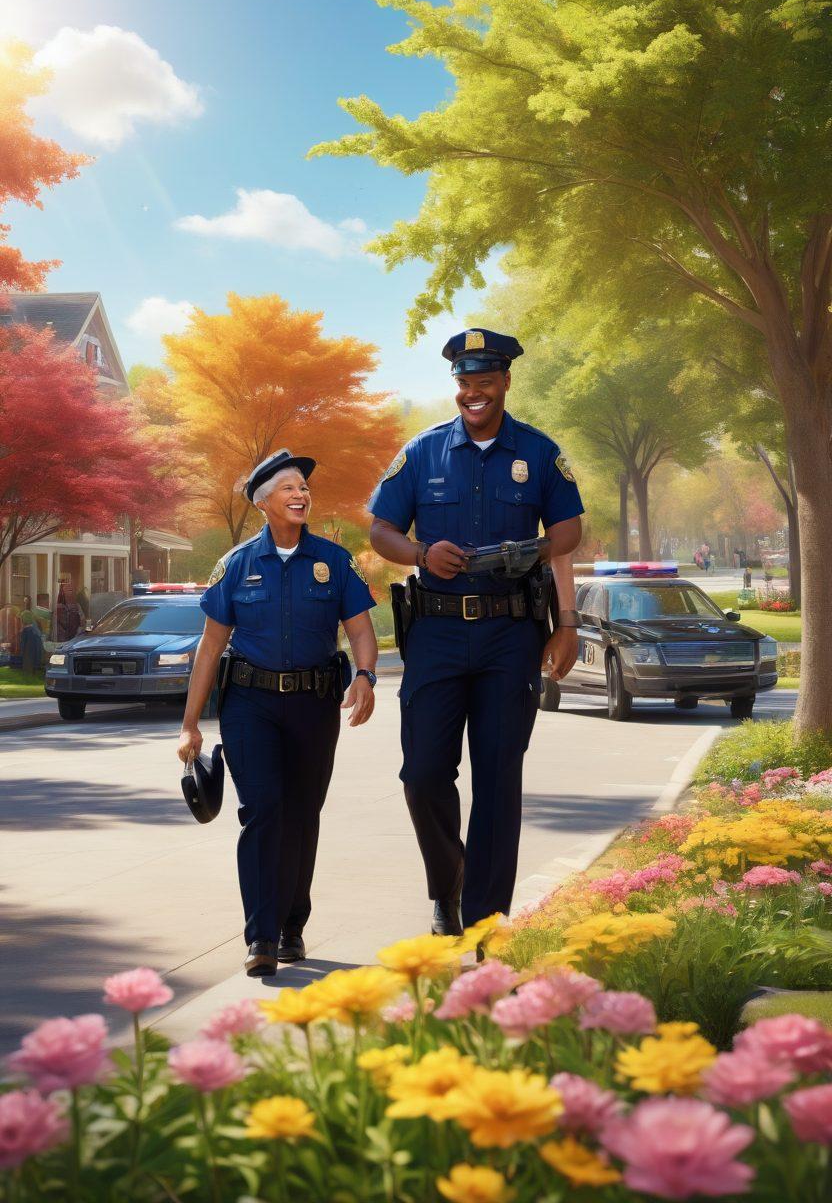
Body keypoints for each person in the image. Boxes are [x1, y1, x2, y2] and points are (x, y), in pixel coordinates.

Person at [368, 328, 583, 934]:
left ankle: (488, 920)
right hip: (435, 634)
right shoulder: (423, 452)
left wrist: (540, 562)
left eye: (485, 382)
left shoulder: (539, 453)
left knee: (497, 777)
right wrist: (418, 553)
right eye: (464, 383)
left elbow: (571, 533)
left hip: (510, 634)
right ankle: (449, 884)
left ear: (506, 382)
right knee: (424, 772)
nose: (473, 393)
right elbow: (380, 530)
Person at [177, 449, 378, 977]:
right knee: (263, 811)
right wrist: (190, 724)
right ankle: (260, 937)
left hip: (315, 705)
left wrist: (365, 675)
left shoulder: (333, 561)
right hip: (251, 705)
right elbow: (210, 646)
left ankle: (293, 924)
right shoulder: (237, 565)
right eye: (289, 488)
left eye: (305, 489)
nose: (301, 495)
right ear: (264, 502)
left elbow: (360, 628)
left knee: (301, 814)